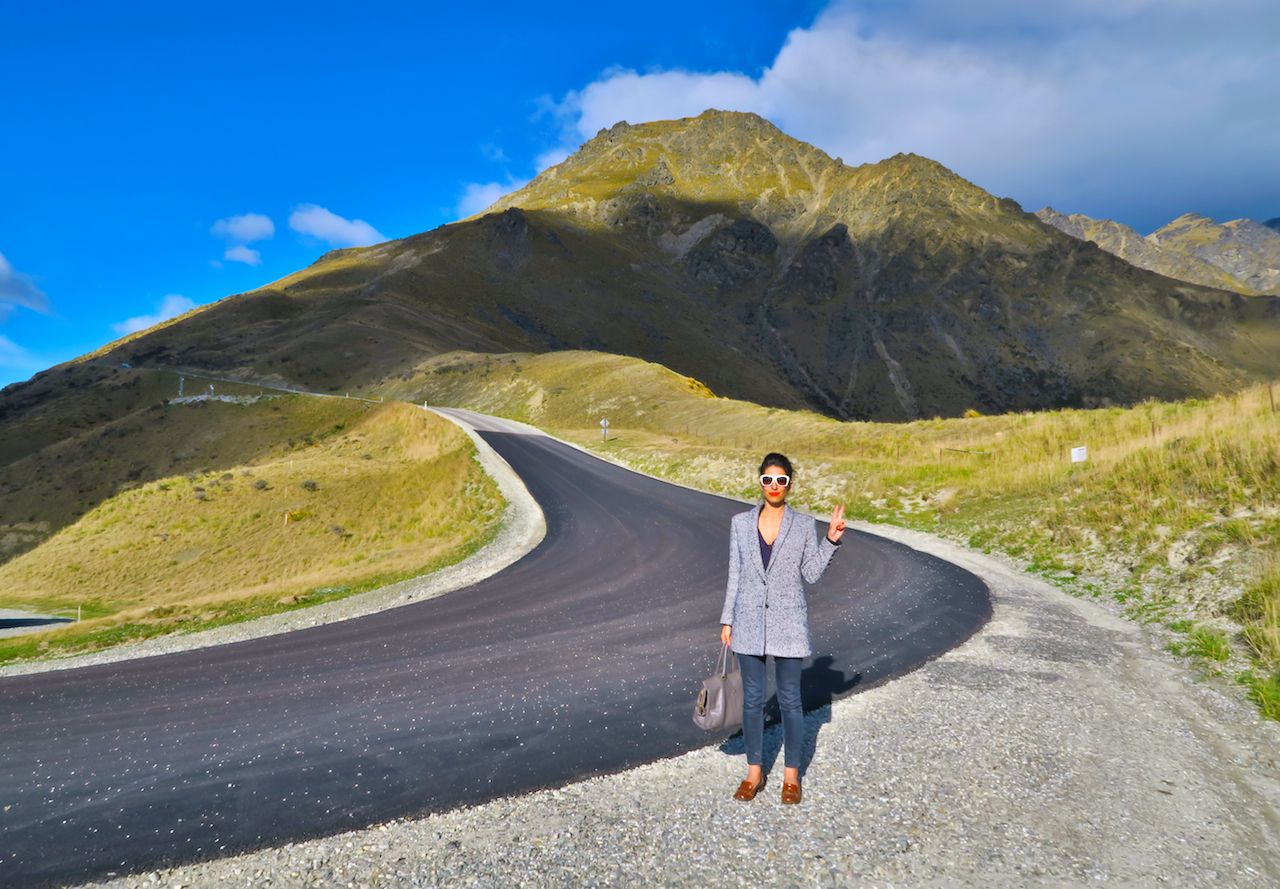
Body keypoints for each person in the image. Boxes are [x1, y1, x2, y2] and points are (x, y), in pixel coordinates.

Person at [719, 452, 845, 804]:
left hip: (789, 620)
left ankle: (791, 777)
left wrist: (831, 540)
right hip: (747, 618)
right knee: (753, 700)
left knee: (790, 700)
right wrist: (727, 618)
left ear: (790, 483)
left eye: (781, 480)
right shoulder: (740, 523)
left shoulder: (804, 525)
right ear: (760, 482)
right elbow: (736, 574)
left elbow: (812, 573)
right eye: (768, 480)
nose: (774, 486)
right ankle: (754, 773)